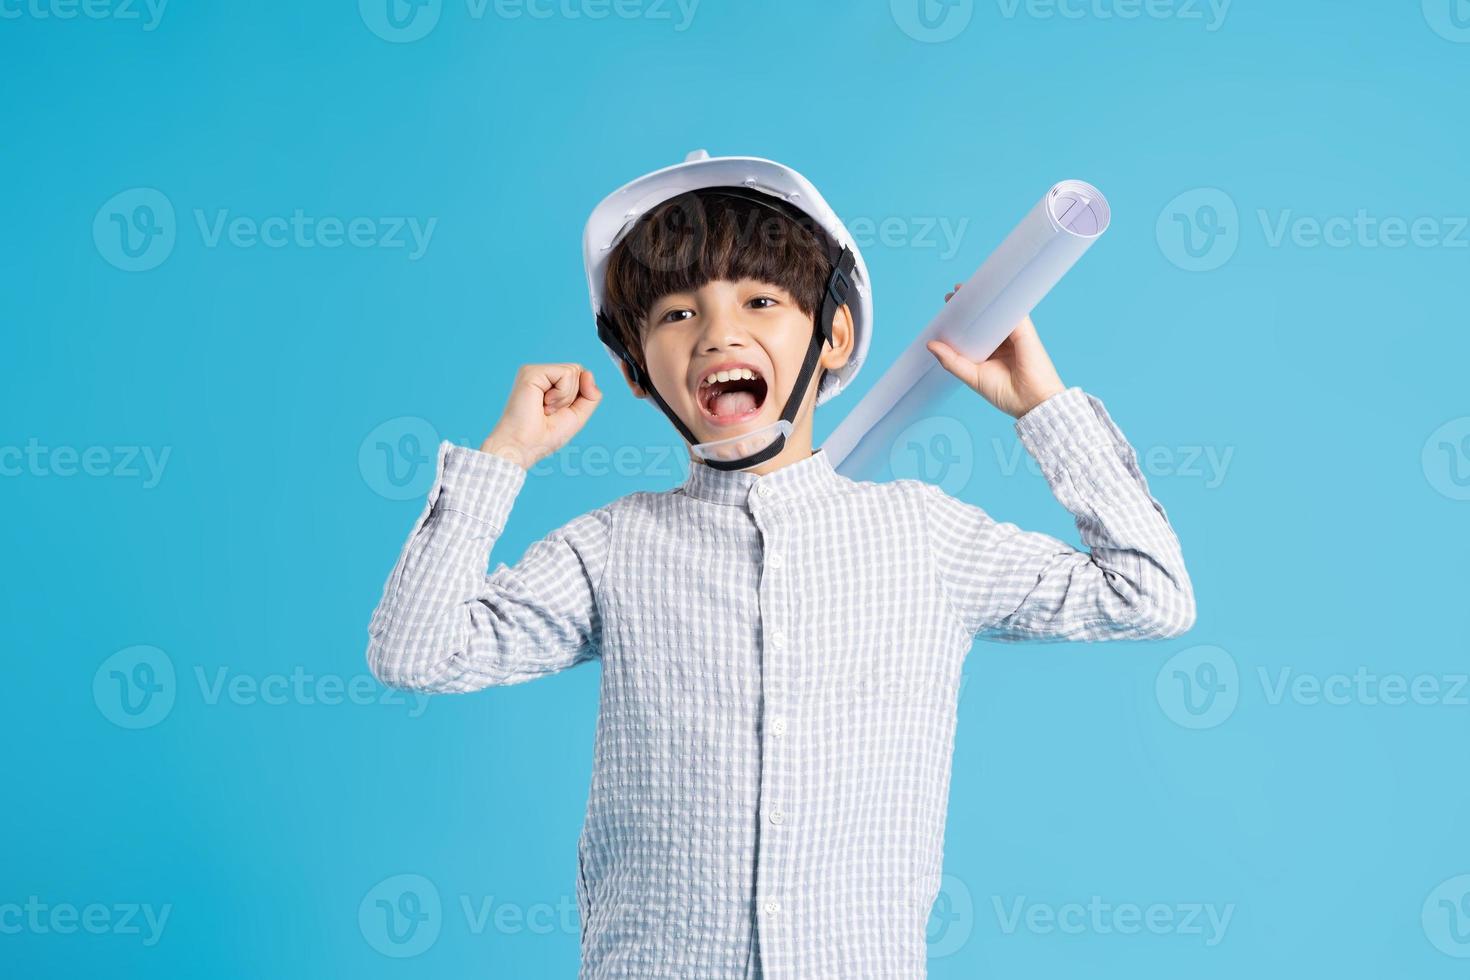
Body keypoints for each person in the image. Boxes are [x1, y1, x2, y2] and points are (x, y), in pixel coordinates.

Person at [366, 150, 1196, 979]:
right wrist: (505, 456)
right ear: (633, 370)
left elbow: (1150, 595)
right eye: (676, 315)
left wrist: (1043, 408)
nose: (720, 332)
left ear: (833, 336)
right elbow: (415, 651)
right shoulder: (612, 547)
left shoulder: (922, 536)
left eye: (760, 301)